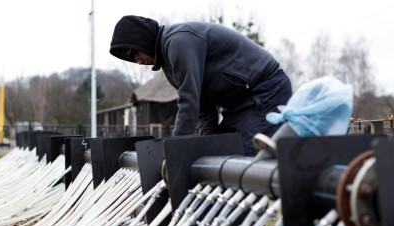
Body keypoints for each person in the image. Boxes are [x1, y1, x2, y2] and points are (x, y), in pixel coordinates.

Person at [110, 15, 292, 156]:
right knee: (219, 150)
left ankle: (274, 202)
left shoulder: (178, 42)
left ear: (141, 39)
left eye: (135, 54)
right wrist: (207, 140)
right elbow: (202, 105)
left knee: (245, 154)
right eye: (132, 60)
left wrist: (175, 151)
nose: (138, 62)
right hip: (239, 104)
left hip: (265, 90)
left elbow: (189, 101)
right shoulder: (168, 64)